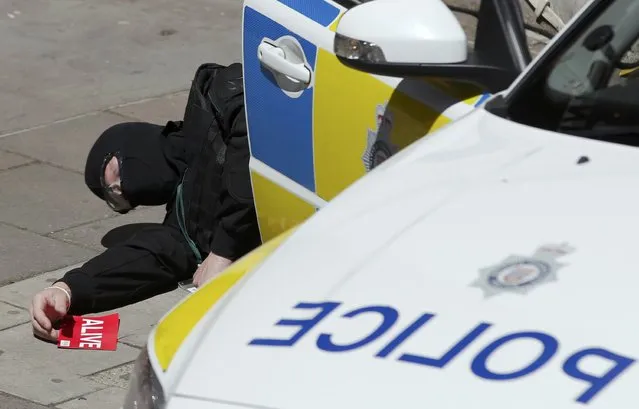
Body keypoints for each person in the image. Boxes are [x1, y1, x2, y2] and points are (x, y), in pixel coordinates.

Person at [29, 62, 262, 342]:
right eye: (117, 198)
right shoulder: (186, 222)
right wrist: (68, 290)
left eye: (113, 174)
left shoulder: (212, 94)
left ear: (132, 142)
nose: (119, 188)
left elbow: (255, 119)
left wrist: (224, 250)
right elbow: (151, 255)